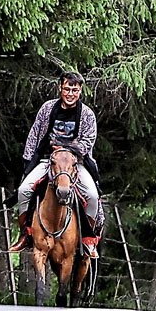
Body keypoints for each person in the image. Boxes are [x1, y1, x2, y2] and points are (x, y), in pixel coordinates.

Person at [8, 71, 103, 258]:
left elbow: (88, 142)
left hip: (75, 163)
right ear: (60, 88)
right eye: (67, 89)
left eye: (74, 90)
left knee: (92, 195)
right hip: (48, 160)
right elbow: (34, 135)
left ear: (80, 91)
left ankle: (88, 240)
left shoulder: (87, 115)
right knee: (24, 190)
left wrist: (66, 148)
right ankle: (26, 234)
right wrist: (28, 160)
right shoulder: (47, 109)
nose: (70, 94)